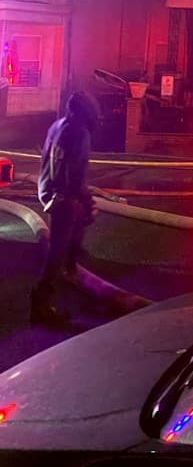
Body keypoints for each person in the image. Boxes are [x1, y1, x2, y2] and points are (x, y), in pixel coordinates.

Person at [30, 91, 100, 326]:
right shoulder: (79, 133)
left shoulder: (58, 125)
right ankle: (41, 303)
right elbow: (74, 179)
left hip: (48, 191)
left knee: (78, 223)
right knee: (58, 246)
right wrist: (87, 199)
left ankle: (71, 263)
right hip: (63, 197)